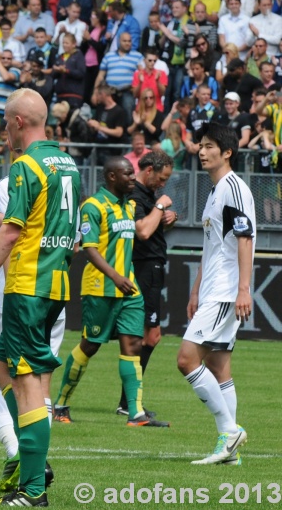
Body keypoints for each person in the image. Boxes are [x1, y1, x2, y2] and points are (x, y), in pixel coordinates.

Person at [0, 89, 80, 507]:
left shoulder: (24, 165)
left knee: (26, 383)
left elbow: (10, 231)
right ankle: (29, 472)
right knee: (3, 370)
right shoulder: (68, 163)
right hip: (56, 284)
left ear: (16, 122)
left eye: (5, 122)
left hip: (27, 284)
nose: (5, 132)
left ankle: (33, 487)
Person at [53, 156, 169, 427]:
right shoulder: (93, 206)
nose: (133, 177)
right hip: (100, 288)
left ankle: (135, 413)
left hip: (128, 289)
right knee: (90, 345)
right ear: (112, 177)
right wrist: (115, 275)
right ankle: (61, 404)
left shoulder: (129, 207)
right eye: (128, 173)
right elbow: (89, 248)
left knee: (133, 345)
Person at [176, 123, 254, 465]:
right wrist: (195, 290)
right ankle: (230, 453)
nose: (201, 151)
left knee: (186, 359)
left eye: (209, 146)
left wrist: (242, 290)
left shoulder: (234, 188)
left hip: (225, 291)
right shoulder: (214, 191)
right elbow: (212, 248)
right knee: (219, 366)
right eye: (200, 145)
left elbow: (245, 239)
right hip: (212, 290)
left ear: (227, 152)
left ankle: (229, 431)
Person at [112, 151, 175, 415]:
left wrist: (169, 219)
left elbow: (152, 226)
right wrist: (161, 207)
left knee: (146, 336)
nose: (163, 184)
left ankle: (127, 402)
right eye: (162, 178)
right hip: (145, 267)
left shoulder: (146, 195)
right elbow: (143, 230)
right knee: (149, 335)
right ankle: (128, 403)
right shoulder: (137, 195)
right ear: (148, 170)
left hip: (153, 266)